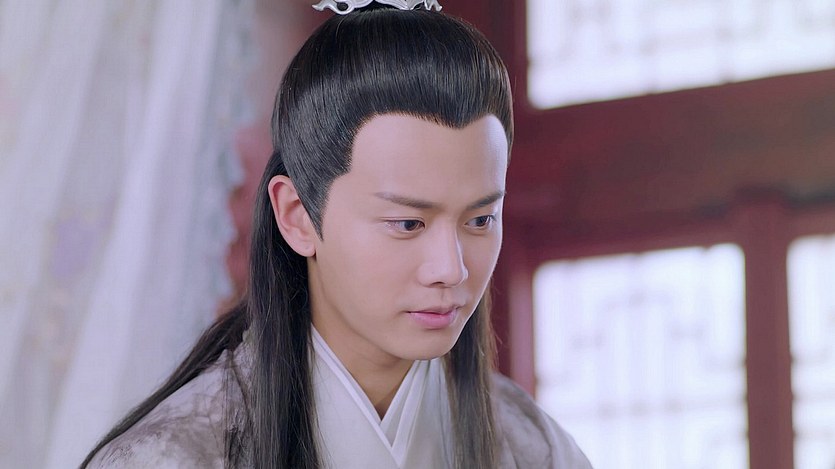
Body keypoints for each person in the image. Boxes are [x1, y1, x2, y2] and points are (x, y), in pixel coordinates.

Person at [82, 1, 592, 467]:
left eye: (479, 220)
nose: (451, 269)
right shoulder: (171, 455)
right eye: (407, 224)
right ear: (297, 216)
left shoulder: (532, 446)